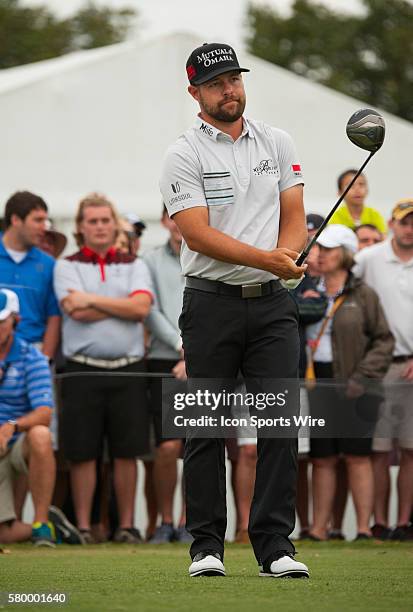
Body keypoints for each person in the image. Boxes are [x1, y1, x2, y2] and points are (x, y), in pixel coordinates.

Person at [160, 42, 310, 578]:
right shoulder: (183, 152)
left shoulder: (276, 140)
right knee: (205, 427)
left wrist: (287, 256)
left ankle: (274, 547)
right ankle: (206, 546)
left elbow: (293, 214)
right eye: (218, 82)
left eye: (235, 79)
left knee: (277, 425)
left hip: (272, 306)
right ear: (195, 92)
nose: (231, 89)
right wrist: (272, 258)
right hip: (210, 304)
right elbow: (197, 234)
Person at [53, 193, 153, 544]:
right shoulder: (67, 265)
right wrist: (121, 305)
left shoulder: (135, 264)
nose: (99, 227)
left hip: (129, 368)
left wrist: (92, 299)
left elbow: (141, 309)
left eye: (104, 220)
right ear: (81, 227)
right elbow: (73, 310)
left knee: (128, 452)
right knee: (83, 453)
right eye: (92, 221)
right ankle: (83, 527)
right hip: (83, 370)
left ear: (114, 224)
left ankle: (126, 526)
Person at [305, 225, 393, 540]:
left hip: (357, 383)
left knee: (358, 455)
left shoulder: (363, 294)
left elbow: (384, 341)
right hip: (318, 383)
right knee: (323, 457)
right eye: (319, 249)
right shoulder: (307, 289)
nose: (320, 254)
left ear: (344, 254)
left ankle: (363, 528)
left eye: (327, 250)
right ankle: (318, 528)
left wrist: (363, 376)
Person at [0, 289, 82, 546]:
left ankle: (41, 523)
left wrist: (12, 426)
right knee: (4, 535)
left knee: (41, 434)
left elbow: (44, 413)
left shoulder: (31, 357)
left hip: (16, 444)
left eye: (1, 321)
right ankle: (56, 529)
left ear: (15, 320)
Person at [353, 199, 413, 540]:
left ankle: (402, 522)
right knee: (376, 451)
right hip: (377, 368)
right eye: (404, 222)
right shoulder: (370, 259)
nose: (409, 229)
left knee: (410, 450)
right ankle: (377, 522)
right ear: (392, 224)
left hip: (411, 366)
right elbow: (342, 282)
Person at [143, 205, 191, 543]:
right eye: (172, 216)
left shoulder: (208, 254)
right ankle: (166, 520)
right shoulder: (149, 260)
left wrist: (194, 353)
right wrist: (180, 346)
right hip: (163, 360)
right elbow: (151, 310)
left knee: (197, 444)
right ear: (163, 220)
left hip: (204, 361)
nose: (177, 223)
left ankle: (191, 521)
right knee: (166, 446)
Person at [0, 191, 61, 360]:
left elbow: (54, 316)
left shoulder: (48, 264)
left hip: (33, 354)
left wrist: (45, 359)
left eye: (45, 220)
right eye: (38, 220)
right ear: (16, 220)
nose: (44, 227)